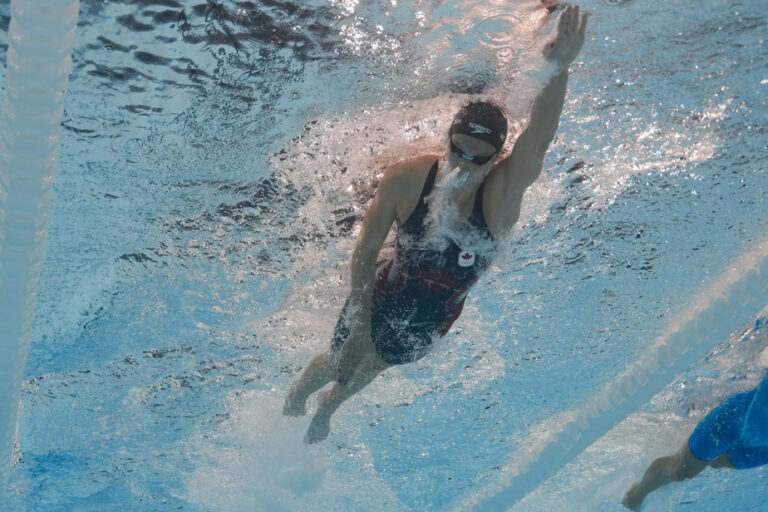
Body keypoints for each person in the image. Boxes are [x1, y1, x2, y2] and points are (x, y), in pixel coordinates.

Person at [283, 4, 589, 444]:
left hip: (436, 312)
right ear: (447, 140)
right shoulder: (408, 179)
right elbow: (366, 252)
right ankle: (300, 394)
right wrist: (359, 315)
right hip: (384, 289)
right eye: (456, 151)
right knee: (341, 359)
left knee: (375, 365)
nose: (463, 165)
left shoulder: (501, 195)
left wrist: (558, 66)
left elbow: (538, 139)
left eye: (476, 158)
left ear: (495, 159)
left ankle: (330, 406)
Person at [623, 373, 768, 511]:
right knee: (681, 470)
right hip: (732, 421)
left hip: (761, 448)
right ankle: (635, 497)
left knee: (719, 461)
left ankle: (697, 423)